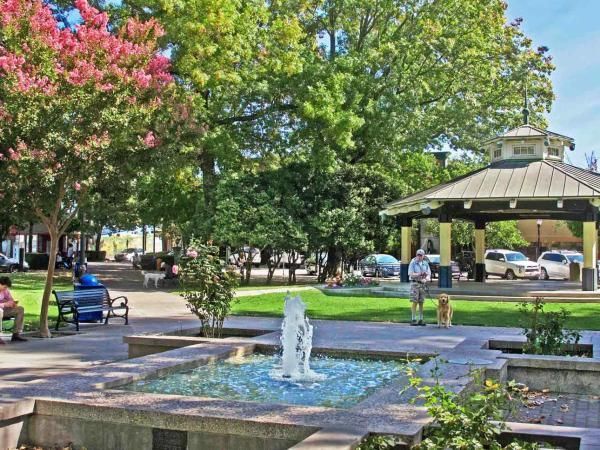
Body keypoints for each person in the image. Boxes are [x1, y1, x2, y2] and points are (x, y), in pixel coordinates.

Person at [0, 276, 28, 343]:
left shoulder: (5, 291)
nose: (5, 289)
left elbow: (11, 300)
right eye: (5, 287)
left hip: (4, 309)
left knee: (20, 309)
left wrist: (11, 303)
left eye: (6, 287)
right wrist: (4, 304)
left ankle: (16, 334)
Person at [408, 249, 431, 326]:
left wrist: (426, 279)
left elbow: (429, 274)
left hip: (422, 284)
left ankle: (421, 319)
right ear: (416, 255)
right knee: (415, 301)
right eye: (418, 255)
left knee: (421, 302)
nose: (419, 256)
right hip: (415, 284)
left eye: (421, 255)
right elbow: (411, 274)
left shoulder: (425, 264)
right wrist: (419, 274)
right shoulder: (413, 262)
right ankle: (413, 319)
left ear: (423, 256)